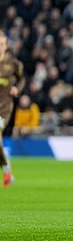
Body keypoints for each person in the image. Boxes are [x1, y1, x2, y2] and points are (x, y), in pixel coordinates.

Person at [0, 30, 25, 187]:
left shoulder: (13, 63)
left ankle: (6, 169)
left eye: (1, 44)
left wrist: (17, 89)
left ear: (6, 45)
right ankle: (7, 168)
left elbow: (22, 80)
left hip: (4, 107)